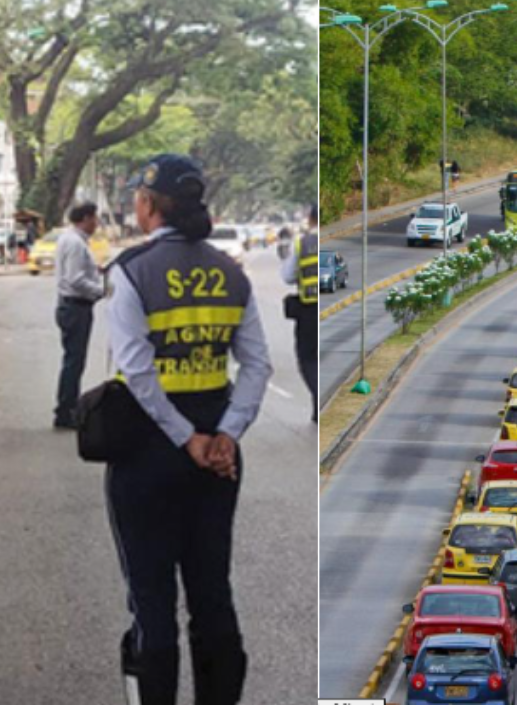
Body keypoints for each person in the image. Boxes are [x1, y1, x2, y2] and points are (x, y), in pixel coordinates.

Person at [105, 154, 272, 705]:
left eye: (137, 197)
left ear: (150, 206)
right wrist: (224, 434)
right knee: (211, 594)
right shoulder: (231, 274)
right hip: (218, 459)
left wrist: (187, 438)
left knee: (151, 601)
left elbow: (137, 371)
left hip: (146, 453)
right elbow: (257, 367)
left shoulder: (131, 271)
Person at [53, 202, 105, 430]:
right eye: (94, 218)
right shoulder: (75, 243)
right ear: (85, 218)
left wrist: (96, 272)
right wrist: (101, 290)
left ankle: (67, 407)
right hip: (76, 306)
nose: (97, 223)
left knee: (73, 360)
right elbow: (75, 279)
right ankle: (66, 411)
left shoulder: (72, 240)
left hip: (73, 305)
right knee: (74, 361)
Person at [280, 204, 318, 422]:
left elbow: (287, 276)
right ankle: (317, 408)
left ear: (310, 219)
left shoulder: (301, 244)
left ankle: (318, 399)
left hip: (309, 311)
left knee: (308, 360)